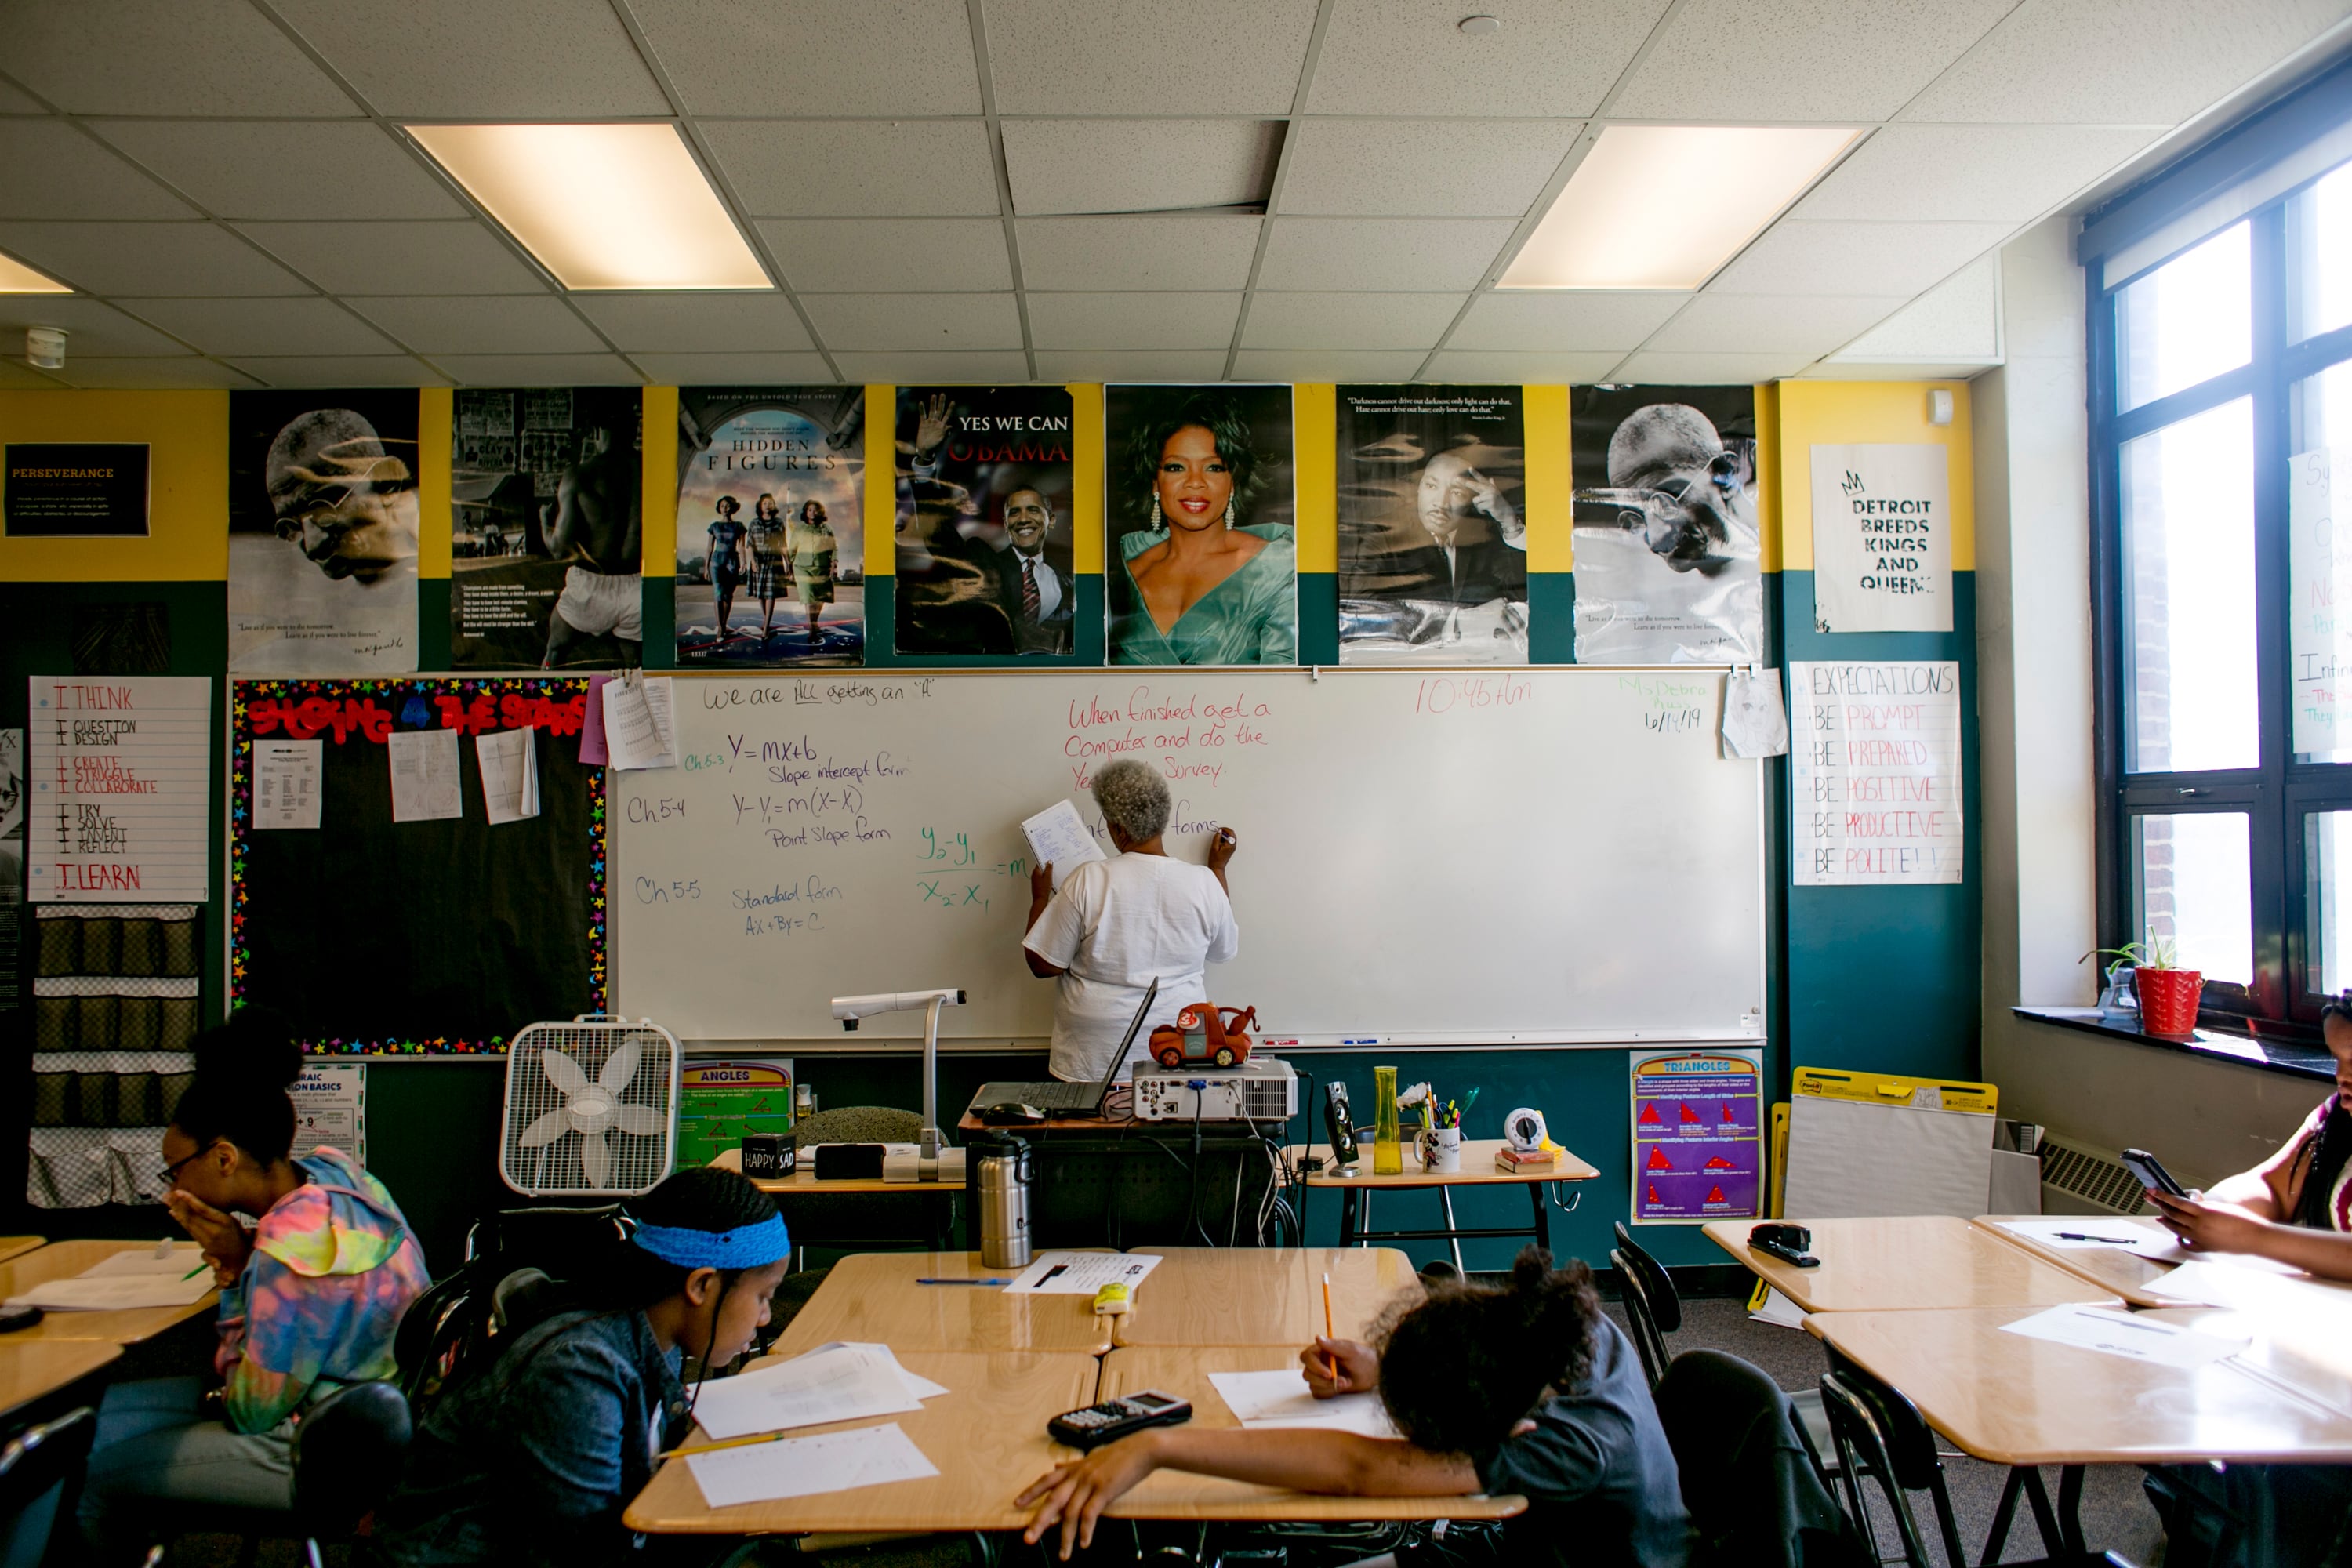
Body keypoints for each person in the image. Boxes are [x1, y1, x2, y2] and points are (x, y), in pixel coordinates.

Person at [1018, 1247, 1690, 1568]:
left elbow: (1355, 1470)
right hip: (1525, 1545)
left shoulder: (1572, 1444)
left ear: (1509, 1428)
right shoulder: (1554, 1330)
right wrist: (1377, 1371)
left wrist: (1156, 1445)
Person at [78, 1009, 431, 1563]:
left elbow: (251, 1413)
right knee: (98, 1420)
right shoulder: (341, 1176)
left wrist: (231, 1270)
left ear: (223, 1158)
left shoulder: (289, 1250)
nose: (173, 1186)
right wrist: (243, 1258)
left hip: (326, 1453)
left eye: (174, 1170)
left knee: (92, 1473)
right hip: (389, 1423)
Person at [376, 1167, 791, 1566]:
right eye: (763, 1296)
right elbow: (587, 1553)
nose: (765, 1318)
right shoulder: (577, 1374)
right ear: (701, 1285)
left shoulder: (653, 1329)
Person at [1024, 759, 1239, 1083]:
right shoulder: (1205, 882)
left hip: (1094, 1063)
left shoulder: (1089, 879)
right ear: (1163, 821)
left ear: (1119, 830)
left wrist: (1040, 898)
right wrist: (1219, 871)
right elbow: (1222, 950)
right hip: (1179, 1054)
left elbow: (1042, 964)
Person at [2145, 995, 2352, 1277]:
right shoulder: (2338, 1116)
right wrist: (2213, 1208)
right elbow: (2273, 1186)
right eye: (2337, 1059)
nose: (2342, 1076)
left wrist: (2253, 1237)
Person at [1112, 397, 1296, 665]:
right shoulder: (1124, 572)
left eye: (1214, 467)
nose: (1195, 482)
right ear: (1155, 483)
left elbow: (1286, 686)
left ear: (1232, 482)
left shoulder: (1275, 567)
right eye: (1176, 467)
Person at [542, 421, 644, 669]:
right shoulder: (653, 470)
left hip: (591, 586)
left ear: (598, 432)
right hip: (639, 586)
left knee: (554, 653)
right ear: (632, 432)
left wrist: (543, 521)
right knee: (634, 671)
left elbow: (557, 548)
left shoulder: (580, 474)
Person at [991, 486, 1073, 655]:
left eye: (1033, 510)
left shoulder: (1066, 580)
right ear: (1006, 524)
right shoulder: (989, 566)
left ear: (1051, 521)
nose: (1023, 519)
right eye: (1014, 512)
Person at [788, 497, 839, 645]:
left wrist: (834, 563)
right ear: (806, 512)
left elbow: (834, 547)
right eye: (810, 510)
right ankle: (811, 628)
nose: (813, 512)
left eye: (815, 510)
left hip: (822, 567)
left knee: (821, 597)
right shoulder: (799, 529)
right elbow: (792, 549)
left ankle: (814, 622)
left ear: (820, 512)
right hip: (802, 568)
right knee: (809, 597)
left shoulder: (827, 529)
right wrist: (789, 566)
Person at [703, 494, 748, 646]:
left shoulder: (739, 526)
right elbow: (709, 547)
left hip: (732, 560)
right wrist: (706, 567)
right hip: (716, 561)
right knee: (718, 593)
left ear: (733, 508)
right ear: (719, 508)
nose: (725, 508)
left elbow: (742, 546)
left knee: (728, 595)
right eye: (722, 506)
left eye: (728, 506)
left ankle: (724, 623)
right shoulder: (714, 526)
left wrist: (743, 563)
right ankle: (720, 628)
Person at [746, 492, 788, 641]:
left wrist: (788, 562)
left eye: (770, 502)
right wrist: (752, 562)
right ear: (760, 506)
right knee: (761, 595)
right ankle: (767, 622)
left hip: (773, 561)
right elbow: (749, 545)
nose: (768, 505)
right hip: (758, 561)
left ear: (774, 506)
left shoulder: (779, 523)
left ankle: (765, 627)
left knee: (770, 594)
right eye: (765, 503)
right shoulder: (754, 523)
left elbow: (783, 544)